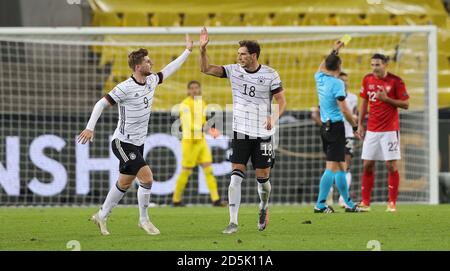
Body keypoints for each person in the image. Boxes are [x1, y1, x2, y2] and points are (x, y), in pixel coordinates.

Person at [77, 34, 193, 235]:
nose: (152, 63)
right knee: (147, 178)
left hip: (138, 143)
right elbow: (101, 103)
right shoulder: (124, 88)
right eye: (148, 61)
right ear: (138, 66)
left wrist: (188, 51)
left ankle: (101, 216)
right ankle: (144, 219)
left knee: (125, 182)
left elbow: (169, 69)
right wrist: (90, 127)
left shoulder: (151, 81)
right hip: (122, 143)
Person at [199, 27, 287, 233]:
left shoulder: (270, 74)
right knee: (234, 178)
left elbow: (282, 101)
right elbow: (206, 69)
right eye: (238, 54)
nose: (238, 57)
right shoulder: (233, 70)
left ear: (253, 55)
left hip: (263, 134)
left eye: (242, 54)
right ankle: (233, 222)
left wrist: (273, 117)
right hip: (240, 132)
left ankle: (263, 207)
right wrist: (202, 50)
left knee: (263, 180)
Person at [313, 40, 363, 213]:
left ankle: (348, 203)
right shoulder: (338, 84)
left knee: (342, 166)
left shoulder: (319, 78)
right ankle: (320, 204)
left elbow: (323, 65)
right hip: (335, 127)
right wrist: (355, 126)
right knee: (332, 167)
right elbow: (345, 110)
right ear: (339, 67)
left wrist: (335, 50)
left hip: (325, 128)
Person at [357, 53, 409, 212]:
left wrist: (386, 99)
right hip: (372, 129)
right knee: (367, 164)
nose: (374, 68)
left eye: (377, 64)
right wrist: (359, 124)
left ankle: (392, 203)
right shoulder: (367, 79)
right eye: (372, 64)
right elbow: (364, 101)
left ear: (385, 65)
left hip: (390, 130)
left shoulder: (396, 81)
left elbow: (406, 104)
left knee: (391, 166)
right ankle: (365, 203)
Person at [172, 80, 227, 207]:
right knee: (186, 171)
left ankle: (216, 199)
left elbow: (203, 122)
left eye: (196, 88)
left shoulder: (202, 102)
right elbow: (188, 124)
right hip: (189, 142)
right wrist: (205, 129)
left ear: (200, 89)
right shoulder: (184, 105)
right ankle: (176, 199)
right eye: (192, 88)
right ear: (188, 91)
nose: (194, 90)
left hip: (201, 141)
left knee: (208, 170)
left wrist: (208, 129)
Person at [312, 72, 358, 208]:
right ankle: (323, 201)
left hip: (346, 133)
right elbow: (317, 112)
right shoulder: (331, 93)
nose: (344, 83)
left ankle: (344, 201)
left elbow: (355, 112)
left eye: (346, 80)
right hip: (336, 131)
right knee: (334, 167)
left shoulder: (353, 97)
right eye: (342, 80)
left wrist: (356, 122)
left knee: (342, 167)